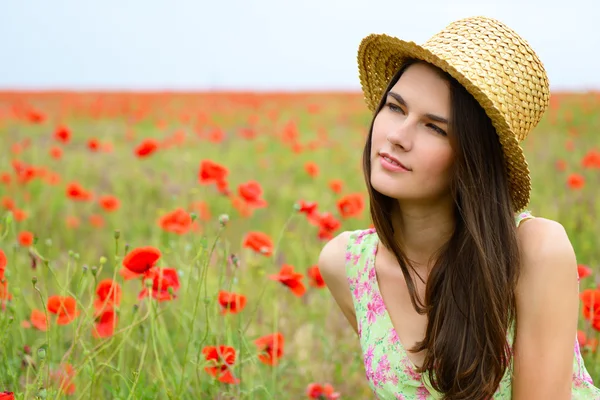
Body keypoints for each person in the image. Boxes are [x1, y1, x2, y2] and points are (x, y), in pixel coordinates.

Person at [318, 16, 600, 399]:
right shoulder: (346, 265)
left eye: (434, 127)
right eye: (395, 107)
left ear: (473, 159)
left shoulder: (534, 251)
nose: (397, 137)